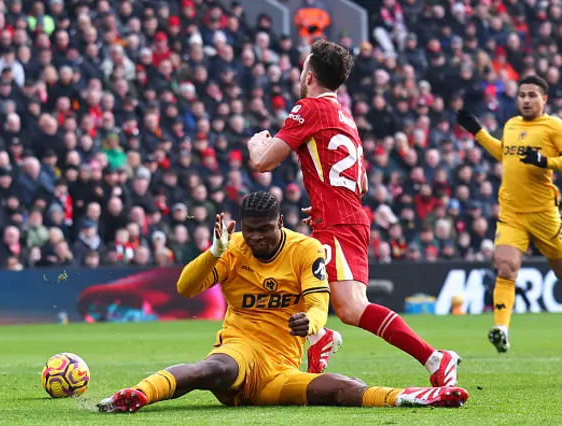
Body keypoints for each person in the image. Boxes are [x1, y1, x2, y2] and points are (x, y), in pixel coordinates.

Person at [97, 192, 469, 413]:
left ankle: (416, 397)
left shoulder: (305, 249)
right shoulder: (231, 249)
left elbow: (319, 300)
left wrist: (312, 324)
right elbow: (185, 288)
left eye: (264, 228)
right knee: (212, 370)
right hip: (241, 348)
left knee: (341, 389)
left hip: (280, 369)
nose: (256, 237)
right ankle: (135, 395)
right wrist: (213, 252)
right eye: (250, 228)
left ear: (281, 222)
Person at [246, 39, 460, 386]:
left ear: (310, 75)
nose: (300, 74)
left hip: (338, 222)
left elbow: (264, 162)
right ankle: (318, 340)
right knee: (290, 279)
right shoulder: (346, 117)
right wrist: (321, 198)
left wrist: (255, 145)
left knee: (352, 307)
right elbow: (358, 181)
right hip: (343, 216)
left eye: (303, 68)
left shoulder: (309, 108)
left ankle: (435, 358)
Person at [457, 75, 562, 353]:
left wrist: (546, 161)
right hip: (512, 213)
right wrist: (478, 133)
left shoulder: (553, 126)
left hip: (543, 213)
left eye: (532, 96)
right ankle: (501, 328)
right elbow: (505, 153)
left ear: (544, 99)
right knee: (505, 267)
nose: (526, 100)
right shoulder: (512, 124)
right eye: (522, 95)